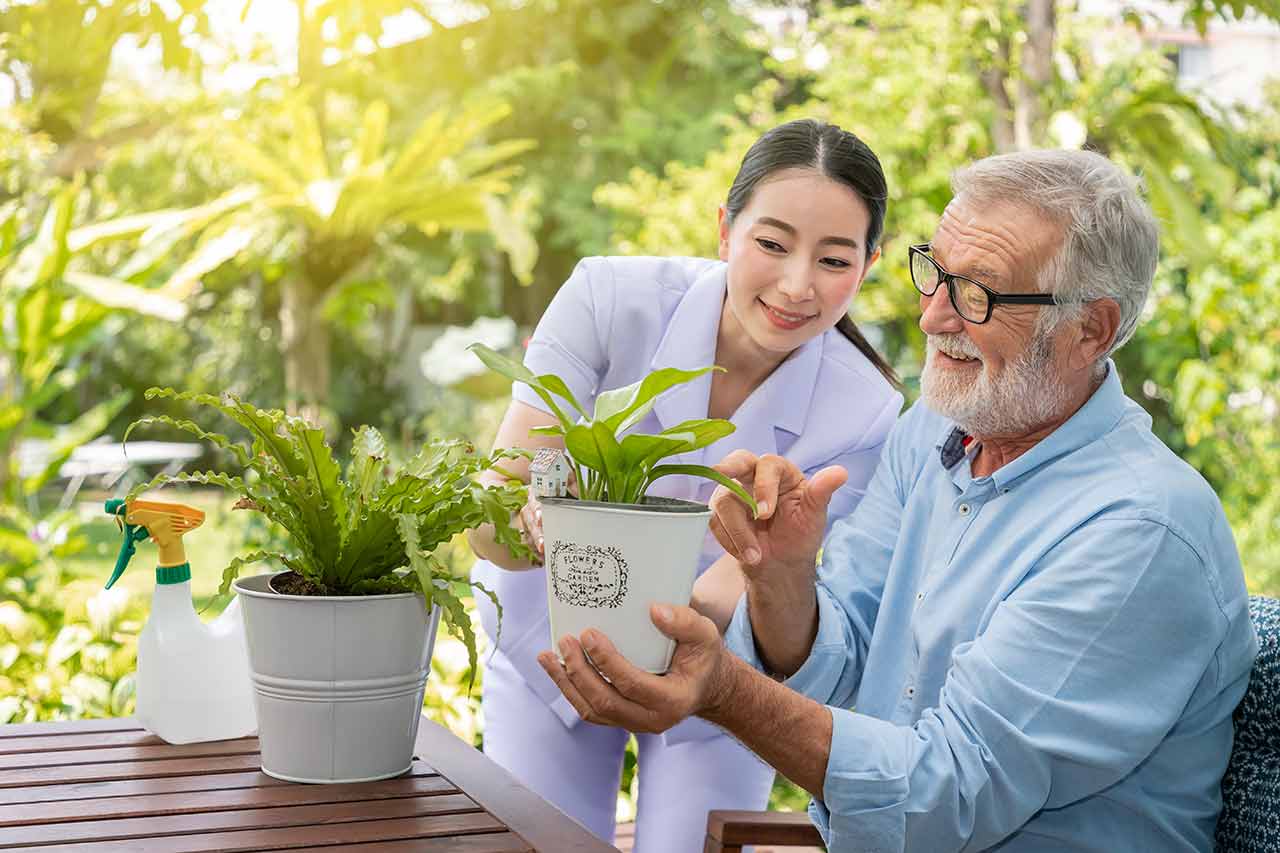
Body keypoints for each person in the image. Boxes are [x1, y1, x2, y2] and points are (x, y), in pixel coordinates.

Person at [536, 148, 1260, 852]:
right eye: (935, 274)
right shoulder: (937, 431)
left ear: (1089, 329)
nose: (934, 318)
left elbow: (940, 803)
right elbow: (840, 662)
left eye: (977, 294)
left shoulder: (1138, 531)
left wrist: (722, 689)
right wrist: (782, 576)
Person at [466, 118, 905, 852]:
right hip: (546, 641)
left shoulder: (866, 412)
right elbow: (489, 521)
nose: (797, 285)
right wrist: (538, 519)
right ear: (725, 229)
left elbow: (741, 592)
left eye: (833, 259)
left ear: (869, 264)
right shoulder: (609, 299)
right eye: (772, 244)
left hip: (713, 672)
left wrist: (675, 639)